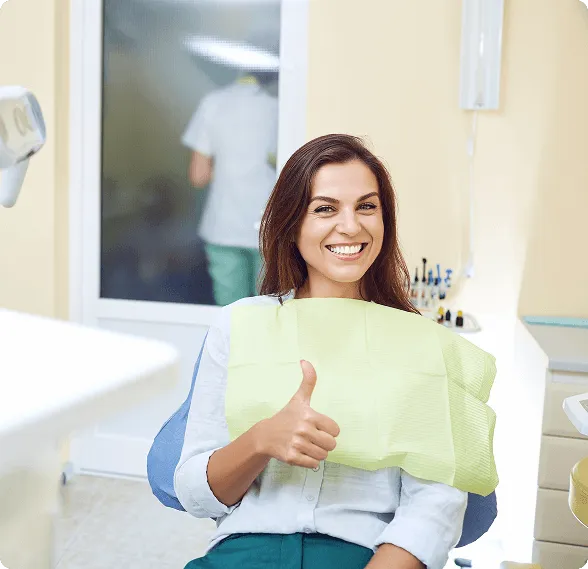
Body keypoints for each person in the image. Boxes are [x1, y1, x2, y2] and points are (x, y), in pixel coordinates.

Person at [174, 134, 467, 569]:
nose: (350, 226)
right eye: (325, 209)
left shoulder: (422, 344)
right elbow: (195, 493)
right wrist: (261, 440)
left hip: (362, 555)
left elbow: (436, 503)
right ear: (293, 225)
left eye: (367, 206)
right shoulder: (238, 325)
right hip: (244, 552)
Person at [181, 71, 278, 306]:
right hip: (269, 223)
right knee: (266, 310)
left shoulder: (213, 103)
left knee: (229, 314)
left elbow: (198, 175)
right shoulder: (279, 107)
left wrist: (227, 170)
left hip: (222, 225)